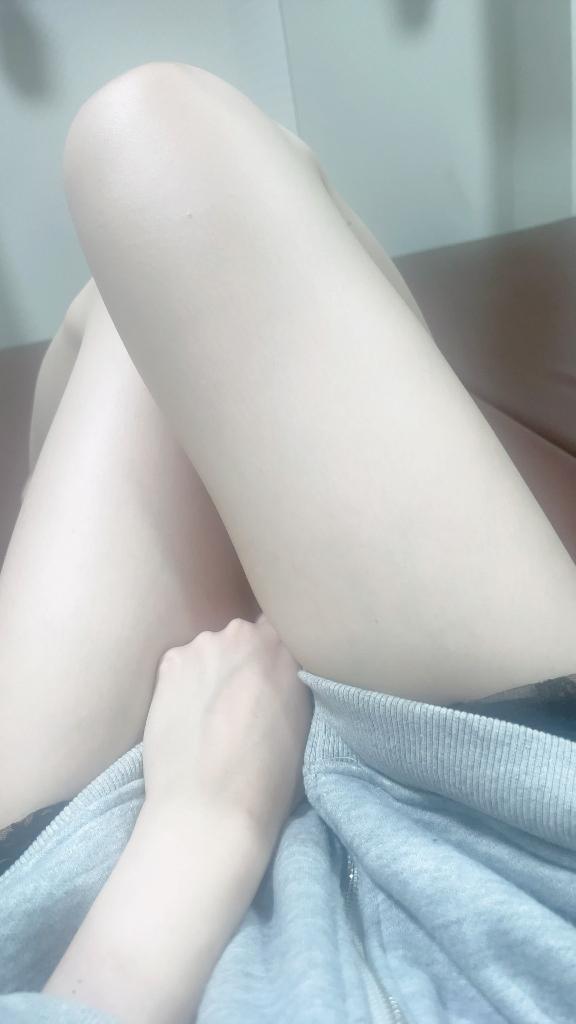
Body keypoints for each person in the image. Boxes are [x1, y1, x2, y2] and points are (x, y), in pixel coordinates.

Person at [2, 61, 576, 1023]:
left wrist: (192, 837)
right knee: (152, 141)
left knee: (125, 284)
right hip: (506, 882)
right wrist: (203, 827)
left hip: (59, 926)